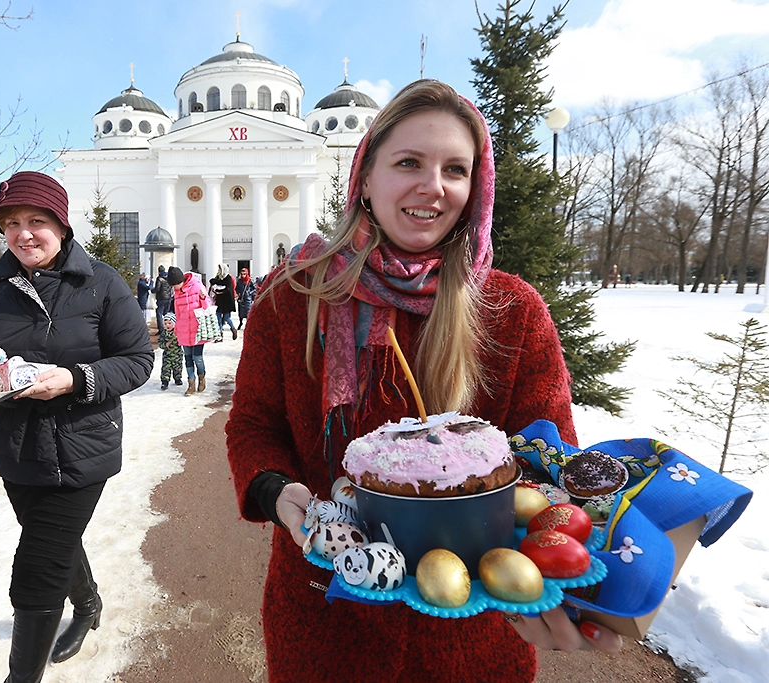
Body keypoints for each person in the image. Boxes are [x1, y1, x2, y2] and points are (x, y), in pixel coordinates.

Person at [224, 80, 623, 683]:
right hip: (325, 616)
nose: (433, 186)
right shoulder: (294, 297)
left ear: (475, 187)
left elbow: (547, 455)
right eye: (409, 162)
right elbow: (255, 423)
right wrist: (274, 490)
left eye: (455, 169)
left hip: (472, 629)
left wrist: (559, 565)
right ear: (365, 177)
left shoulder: (510, 310)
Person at [0, 171, 153, 683]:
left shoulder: (101, 282)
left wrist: (74, 379)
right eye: (11, 223)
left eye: (36, 221)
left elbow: (137, 360)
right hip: (16, 446)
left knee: (37, 566)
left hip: (84, 445)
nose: (23, 234)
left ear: (62, 226)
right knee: (52, 539)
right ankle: (88, 605)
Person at [166, 266, 209, 396]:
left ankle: (201, 376)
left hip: (198, 329)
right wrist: (177, 329)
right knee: (188, 358)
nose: (174, 288)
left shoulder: (197, 286)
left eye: (175, 285)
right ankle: (191, 384)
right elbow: (178, 313)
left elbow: (207, 307)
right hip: (184, 329)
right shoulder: (177, 293)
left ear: (181, 281)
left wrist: (203, 298)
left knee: (198, 358)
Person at [208, 263, 238, 340]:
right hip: (220, 301)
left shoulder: (228, 278)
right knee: (218, 317)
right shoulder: (218, 277)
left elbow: (228, 289)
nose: (219, 271)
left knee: (227, 318)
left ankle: (233, 329)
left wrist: (220, 291)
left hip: (227, 302)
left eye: (220, 269)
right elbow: (212, 281)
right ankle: (220, 334)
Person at [157, 312, 183, 390]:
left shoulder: (177, 333)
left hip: (177, 355)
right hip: (167, 355)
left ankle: (177, 378)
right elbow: (160, 343)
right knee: (166, 368)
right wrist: (165, 345)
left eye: (169, 323)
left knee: (177, 368)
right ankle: (165, 382)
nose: (167, 325)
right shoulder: (164, 334)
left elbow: (182, 342)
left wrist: (178, 338)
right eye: (165, 324)